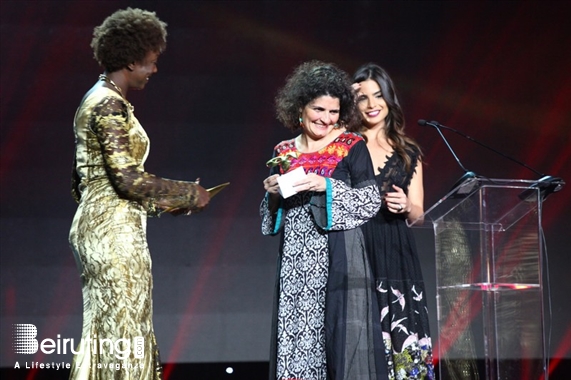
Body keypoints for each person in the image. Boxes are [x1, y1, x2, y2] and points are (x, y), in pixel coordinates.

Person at [68, 8, 209, 379]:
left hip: (104, 224)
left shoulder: (99, 97)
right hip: (112, 233)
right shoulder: (108, 104)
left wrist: (164, 205)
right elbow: (127, 180)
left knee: (108, 332)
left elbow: (89, 180)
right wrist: (188, 193)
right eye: (151, 62)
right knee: (125, 331)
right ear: (131, 61)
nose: (155, 70)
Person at [261, 61, 386, 380]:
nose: (326, 119)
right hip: (295, 266)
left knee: (336, 342)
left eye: (334, 112)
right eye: (318, 109)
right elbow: (271, 219)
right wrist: (273, 193)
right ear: (299, 108)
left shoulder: (351, 147)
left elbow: (370, 201)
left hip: (338, 262)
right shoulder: (284, 152)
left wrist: (325, 185)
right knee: (296, 340)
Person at [353, 63, 435, 379]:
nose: (372, 105)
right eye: (363, 98)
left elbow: (418, 213)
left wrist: (405, 206)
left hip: (396, 253)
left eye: (378, 96)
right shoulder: (343, 146)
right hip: (355, 248)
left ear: (390, 99)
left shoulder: (407, 151)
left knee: (402, 340)